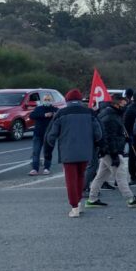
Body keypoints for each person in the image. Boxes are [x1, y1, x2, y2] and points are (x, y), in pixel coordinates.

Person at [45, 88, 102, 217]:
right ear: (80, 99)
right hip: (85, 151)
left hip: (67, 151)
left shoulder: (61, 113)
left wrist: (50, 147)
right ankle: (79, 203)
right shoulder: (89, 112)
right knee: (81, 176)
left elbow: (51, 135)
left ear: (67, 100)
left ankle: (74, 207)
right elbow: (98, 133)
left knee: (70, 179)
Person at [85, 94, 136, 208]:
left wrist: (125, 138)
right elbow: (109, 137)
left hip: (107, 150)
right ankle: (130, 198)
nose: (125, 107)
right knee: (121, 174)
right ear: (116, 104)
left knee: (101, 176)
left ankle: (92, 199)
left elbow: (115, 133)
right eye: (124, 104)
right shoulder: (111, 117)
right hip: (110, 151)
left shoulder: (113, 114)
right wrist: (114, 155)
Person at [28, 93, 57, 175]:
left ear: (51, 101)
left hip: (49, 135)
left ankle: (47, 168)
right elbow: (32, 115)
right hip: (38, 134)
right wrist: (44, 115)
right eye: (45, 100)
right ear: (43, 100)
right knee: (36, 152)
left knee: (47, 152)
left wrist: (55, 115)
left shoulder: (54, 109)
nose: (47, 101)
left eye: (48, 100)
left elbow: (60, 116)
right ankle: (35, 169)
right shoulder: (38, 108)